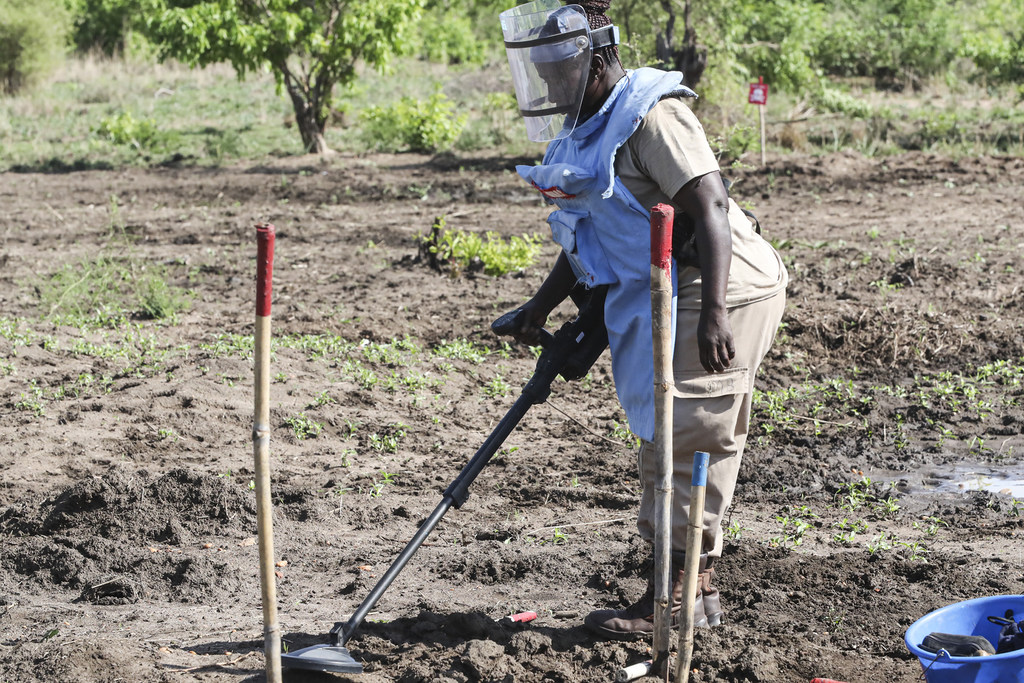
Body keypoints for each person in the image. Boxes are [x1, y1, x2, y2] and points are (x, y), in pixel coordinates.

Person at [497, 0, 788, 640]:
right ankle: (689, 591)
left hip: (722, 287)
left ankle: (677, 597)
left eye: (560, 71)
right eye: (543, 74)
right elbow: (593, 230)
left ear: (597, 58)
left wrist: (714, 315)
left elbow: (711, 205)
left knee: (694, 433)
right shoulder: (585, 129)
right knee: (663, 435)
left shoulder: (653, 115)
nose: (551, 85)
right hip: (665, 284)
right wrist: (540, 309)